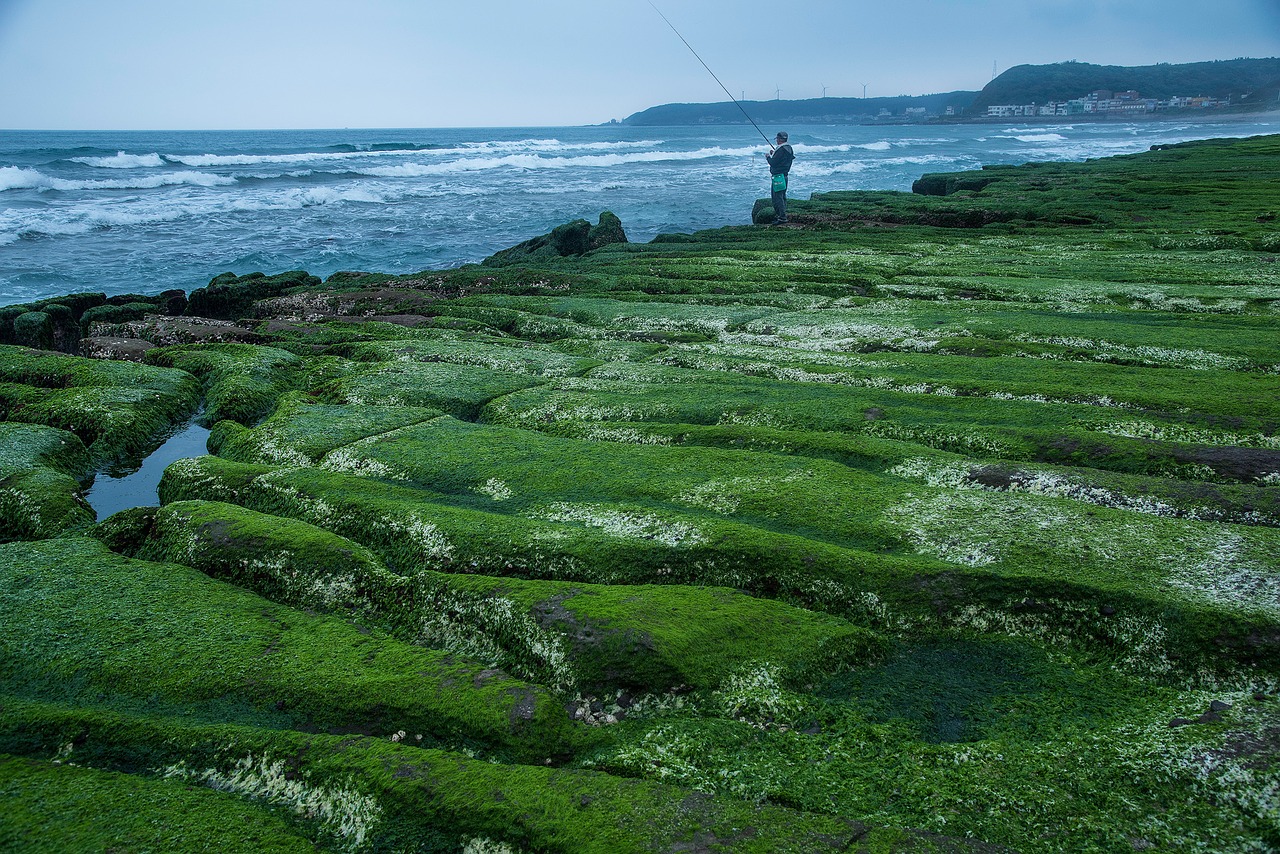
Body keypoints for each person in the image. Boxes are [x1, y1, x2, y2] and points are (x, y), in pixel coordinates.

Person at [764, 131, 795, 224]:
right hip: (785, 175)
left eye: (777, 139)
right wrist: (775, 153)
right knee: (782, 196)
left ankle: (782, 218)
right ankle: (782, 215)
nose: (776, 141)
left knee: (777, 198)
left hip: (778, 177)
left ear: (779, 139)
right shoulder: (788, 148)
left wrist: (768, 157)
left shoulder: (781, 150)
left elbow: (773, 163)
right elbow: (783, 159)